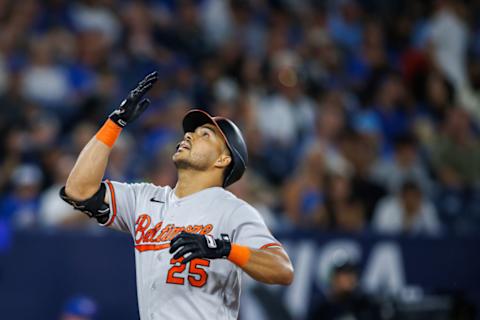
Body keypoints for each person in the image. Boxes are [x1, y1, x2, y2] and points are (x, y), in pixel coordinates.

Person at [60, 72, 294, 320]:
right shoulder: (145, 198)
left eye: (206, 135)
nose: (189, 135)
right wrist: (114, 124)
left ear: (224, 159)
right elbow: (79, 190)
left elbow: (282, 269)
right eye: (191, 133)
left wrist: (224, 249)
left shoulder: (233, 210)